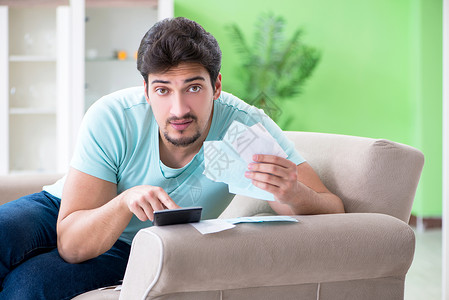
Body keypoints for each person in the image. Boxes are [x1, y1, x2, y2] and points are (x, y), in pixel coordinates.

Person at [0, 17, 344, 299]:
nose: (179, 110)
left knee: (28, 287)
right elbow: (73, 241)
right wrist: (124, 201)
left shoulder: (242, 127)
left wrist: (292, 193)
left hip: (138, 244)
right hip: (63, 209)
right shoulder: (115, 116)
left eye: (193, 88)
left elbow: (334, 210)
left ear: (217, 86)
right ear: (146, 90)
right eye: (163, 90)